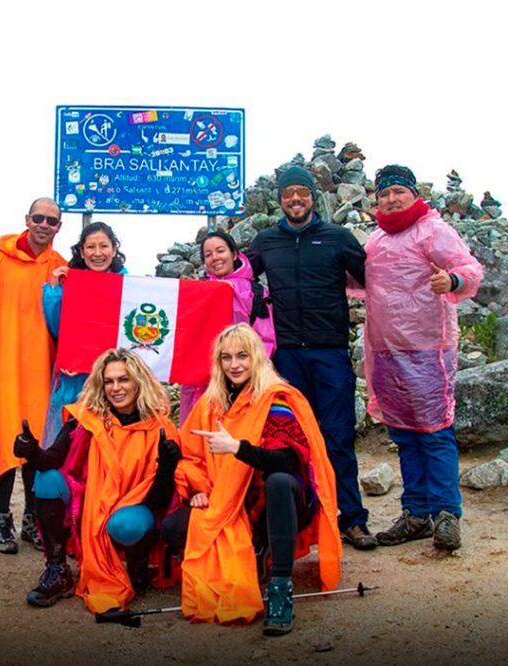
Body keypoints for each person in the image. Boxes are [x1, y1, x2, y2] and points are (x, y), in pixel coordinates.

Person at [164, 324, 341, 636]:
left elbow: (289, 460)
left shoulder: (276, 399)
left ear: (257, 357)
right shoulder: (210, 403)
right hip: (225, 500)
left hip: (276, 504)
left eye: (243, 356)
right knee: (173, 527)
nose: (235, 365)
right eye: (226, 358)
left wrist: (237, 449)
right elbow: (189, 456)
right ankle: (253, 554)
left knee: (279, 481)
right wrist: (199, 489)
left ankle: (280, 587)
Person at [247, 165, 376, 549]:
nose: (296, 199)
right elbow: (233, 280)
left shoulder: (337, 237)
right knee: (290, 442)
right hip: (286, 358)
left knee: (338, 437)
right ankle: (303, 523)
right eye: (288, 194)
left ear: (312, 196)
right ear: (280, 199)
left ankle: (351, 519)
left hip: (330, 353)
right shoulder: (265, 241)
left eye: (302, 192)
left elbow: (378, 278)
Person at [359, 165, 482, 551]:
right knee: (405, 436)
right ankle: (416, 514)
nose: (391, 199)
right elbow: (354, 281)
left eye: (398, 191)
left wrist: (452, 281)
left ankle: (447, 515)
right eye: (384, 194)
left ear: (414, 195)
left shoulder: (433, 229)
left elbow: (468, 268)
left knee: (434, 432)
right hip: (386, 351)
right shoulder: (375, 241)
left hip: (429, 348)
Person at [12, 348, 181, 614]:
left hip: (135, 514)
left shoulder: (161, 429)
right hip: (89, 510)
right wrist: (31, 451)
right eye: (109, 381)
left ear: (139, 381)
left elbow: (160, 502)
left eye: (123, 379)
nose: (116, 387)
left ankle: (138, 565)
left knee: (127, 524)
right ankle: (57, 569)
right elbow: (52, 460)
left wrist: (167, 467)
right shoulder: (87, 420)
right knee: (46, 479)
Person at [0, 197, 67, 553]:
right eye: (39, 218)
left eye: (52, 221)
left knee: (35, 443)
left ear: (59, 227)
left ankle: (31, 517)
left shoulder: (60, 266)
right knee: (4, 439)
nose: (44, 224)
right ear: (27, 219)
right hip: (4, 365)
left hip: (42, 367)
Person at [41, 221, 127, 446]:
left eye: (103, 246)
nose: (97, 253)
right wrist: (53, 290)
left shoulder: (128, 285)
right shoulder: (70, 283)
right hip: (74, 378)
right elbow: (56, 327)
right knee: (68, 448)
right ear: (81, 251)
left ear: (114, 249)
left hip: (113, 380)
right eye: (90, 247)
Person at [178, 230, 276, 424]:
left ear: (234, 254)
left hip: (245, 378)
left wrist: (245, 369)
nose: (215, 258)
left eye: (220, 251)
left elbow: (265, 339)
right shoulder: (197, 292)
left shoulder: (255, 292)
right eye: (208, 254)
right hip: (204, 381)